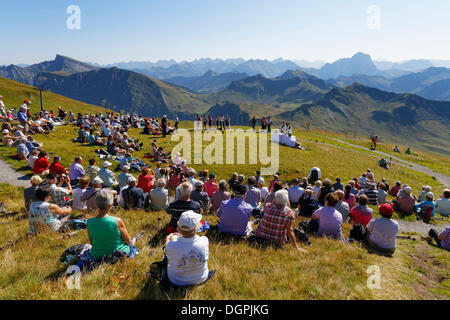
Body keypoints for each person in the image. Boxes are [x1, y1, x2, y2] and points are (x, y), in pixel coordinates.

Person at [86, 189, 136, 261]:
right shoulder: (117, 221)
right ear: (110, 206)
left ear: (96, 204)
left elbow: (91, 242)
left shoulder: (89, 222)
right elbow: (128, 240)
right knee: (132, 242)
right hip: (118, 254)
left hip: (97, 256)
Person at [164, 210, 210, 286]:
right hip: (201, 278)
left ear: (179, 227)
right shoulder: (204, 240)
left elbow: (166, 250)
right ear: (197, 227)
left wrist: (167, 239)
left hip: (177, 280)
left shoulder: (171, 245)